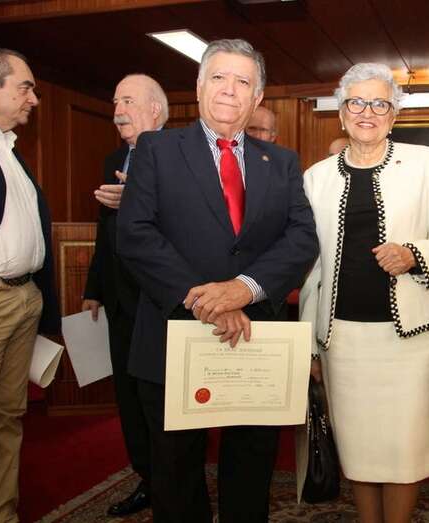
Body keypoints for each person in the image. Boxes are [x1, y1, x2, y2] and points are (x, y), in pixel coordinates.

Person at [116, 38, 318, 523]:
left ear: (258, 98)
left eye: (243, 81)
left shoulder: (282, 162)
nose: (230, 90)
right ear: (200, 85)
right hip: (172, 334)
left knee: (250, 468)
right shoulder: (156, 149)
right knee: (175, 474)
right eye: (219, 77)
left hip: (256, 338)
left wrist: (244, 288)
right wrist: (207, 300)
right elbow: (136, 234)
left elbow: (302, 239)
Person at [299, 62, 429, 523]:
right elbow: (312, 270)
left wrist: (414, 253)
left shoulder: (424, 162)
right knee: (359, 448)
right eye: (357, 102)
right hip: (343, 339)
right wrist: (310, 343)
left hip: (412, 339)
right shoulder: (316, 177)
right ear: (342, 114)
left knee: (404, 450)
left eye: (380, 103)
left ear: (394, 114)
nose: (368, 111)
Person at [0, 48, 60, 522]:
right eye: (25, 86)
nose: (34, 99)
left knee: (6, 422)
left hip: (22, 301)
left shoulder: (6, 143)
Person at [80, 73, 168, 517]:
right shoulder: (115, 157)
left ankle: (171, 485)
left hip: (160, 304)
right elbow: (105, 230)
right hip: (119, 303)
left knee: (159, 403)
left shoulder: (178, 156)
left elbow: (185, 228)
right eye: (115, 101)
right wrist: (94, 287)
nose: (117, 111)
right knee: (129, 401)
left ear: (155, 109)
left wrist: (135, 198)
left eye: (128, 101)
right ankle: (148, 480)